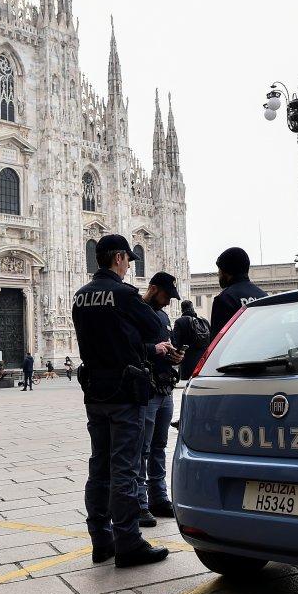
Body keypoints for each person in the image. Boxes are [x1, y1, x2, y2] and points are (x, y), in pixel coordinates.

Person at [72, 234, 178, 568]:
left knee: (98, 466)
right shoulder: (124, 294)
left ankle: (101, 540)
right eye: (128, 259)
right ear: (118, 258)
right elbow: (152, 327)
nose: (129, 264)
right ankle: (129, 541)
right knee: (125, 468)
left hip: (95, 392)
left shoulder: (80, 296)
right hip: (124, 392)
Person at [138, 272, 182, 526]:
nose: (168, 301)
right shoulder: (137, 312)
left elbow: (170, 343)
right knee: (142, 448)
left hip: (165, 388)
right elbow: (131, 346)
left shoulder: (164, 316)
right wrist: (155, 351)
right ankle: (141, 502)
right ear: (154, 289)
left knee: (159, 446)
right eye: (166, 295)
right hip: (147, 388)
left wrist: (176, 356)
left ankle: (158, 497)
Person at [210, 247, 267, 339]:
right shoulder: (263, 296)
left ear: (226, 271)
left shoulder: (224, 299)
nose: (218, 274)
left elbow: (217, 341)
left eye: (219, 269)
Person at [171, 299, 209, 380]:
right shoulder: (204, 321)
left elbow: (175, 342)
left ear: (182, 310)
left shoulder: (180, 322)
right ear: (192, 308)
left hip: (188, 363)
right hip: (203, 363)